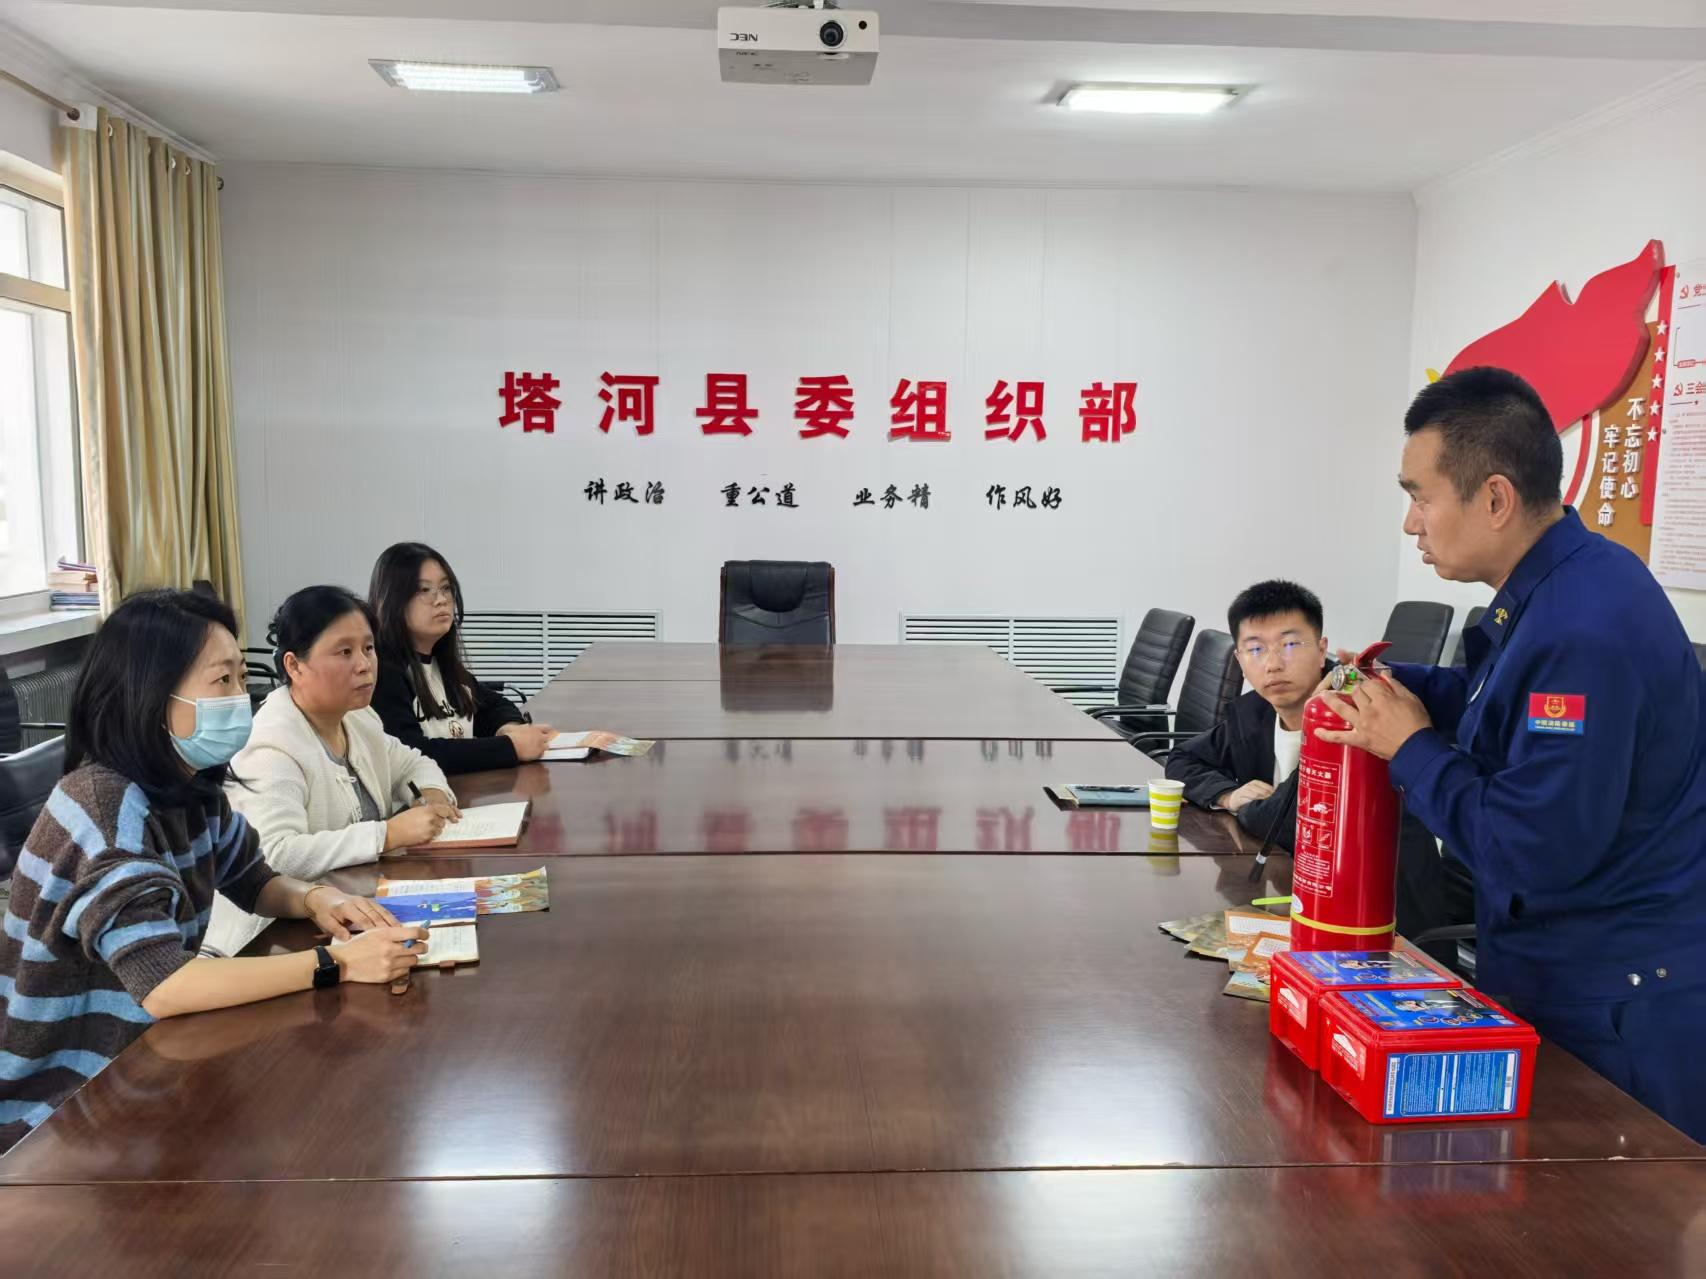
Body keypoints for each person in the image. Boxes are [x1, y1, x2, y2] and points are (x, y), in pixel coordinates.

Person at [1316, 365, 1706, 1141]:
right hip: (1560, 970)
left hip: (1614, 1005)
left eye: (1420, 496)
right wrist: (1388, 685)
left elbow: (1533, 847)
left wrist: (1410, 747)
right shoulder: (1556, 586)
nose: (1411, 523)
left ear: (1494, 499)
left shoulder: (1583, 628)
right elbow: (1490, 704)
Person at [0, 590, 424, 1152]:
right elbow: (166, 985)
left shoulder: (188, 784)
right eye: (221, 681)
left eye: (240, 678)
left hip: (145, 1060)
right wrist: (335, 963)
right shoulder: (108, 813)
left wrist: (316, 900)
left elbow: (253, 880)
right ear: (152, 695)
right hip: (63, 1111)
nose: (240, 697)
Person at [206, 586, 460, 957]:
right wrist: (386, 834)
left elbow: (411, 761)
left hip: (350, 914)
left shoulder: (358, 717)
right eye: (344, 652)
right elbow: (275, 855)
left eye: (368, 648)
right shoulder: (270, 744)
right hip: (273, 940)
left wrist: (431, 794)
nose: (364, 664)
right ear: (294, 666)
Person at [1166, 580, 1331, 847]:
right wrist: (1228, 795)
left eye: (1290, 644)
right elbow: (1183, 759)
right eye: (1255, 649)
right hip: (1271, 864)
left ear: (1321, 651)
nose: (1273, 664)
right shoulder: (1254, 711)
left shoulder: (1347, 717)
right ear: (1239, 662)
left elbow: (1278, 820)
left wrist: (1249, 811)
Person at [367, 542, 556, 774]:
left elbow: (492, 705)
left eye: (446, 588)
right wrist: (509, 748)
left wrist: (509, 728)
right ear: (391, 599)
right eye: (424, 590)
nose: (441, 600)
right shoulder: (382, 673)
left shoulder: (442, 665)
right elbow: (412, 753)